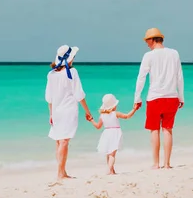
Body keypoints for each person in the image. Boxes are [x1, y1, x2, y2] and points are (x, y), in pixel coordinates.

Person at [134, 28, 185, 169]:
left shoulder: (148, 56)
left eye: (147, 40)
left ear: (152, 39)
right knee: (168, 129)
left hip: (155, 98)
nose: (146, 44)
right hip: (171, 97)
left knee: (154, 130)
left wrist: (137, 97)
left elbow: (141, 78)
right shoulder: (174, 53)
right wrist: (181, 96)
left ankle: (156, 164)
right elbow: (179, 76)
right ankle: (167, 164)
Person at [45, 45, 93, 181]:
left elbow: (49, 97)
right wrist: (87, 111)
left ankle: (62, 171)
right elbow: (79, 95)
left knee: (59, 141)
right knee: (64, 141)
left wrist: (51, 114)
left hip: (56, 111)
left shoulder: (51, 74)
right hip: (68, 111)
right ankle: (60, 173)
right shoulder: (73, 72)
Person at [88, 94, 138, 175]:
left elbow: (98, 126)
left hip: (106, 133)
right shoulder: (115, 113)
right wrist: (134, 109)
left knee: (108, 153)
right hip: (115, 133)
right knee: (112, 154)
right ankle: (109, 170)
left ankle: (112, 171)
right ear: (114, 106)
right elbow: (127, 116)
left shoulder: (102, 116)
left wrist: (91, 120)